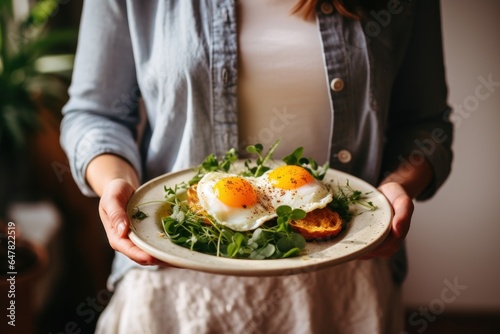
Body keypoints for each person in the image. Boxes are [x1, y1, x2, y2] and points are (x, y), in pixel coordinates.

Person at [60, 0, 453, 332]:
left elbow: (424, 123)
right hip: (177, 285)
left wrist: (400, 185)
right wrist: (115, 181)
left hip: (343, 285)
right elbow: (95, 114)